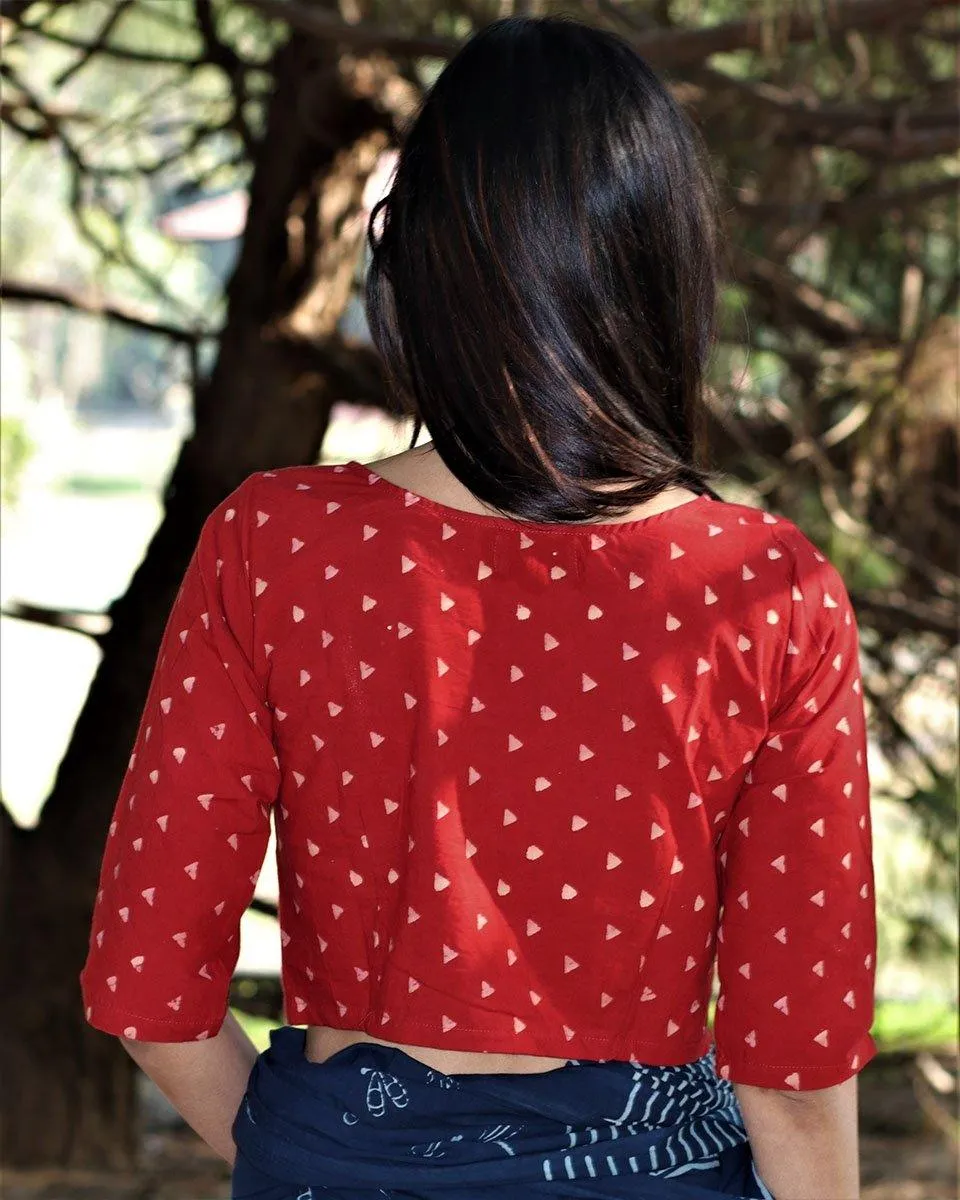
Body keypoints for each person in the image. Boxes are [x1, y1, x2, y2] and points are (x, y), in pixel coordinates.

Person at [79, 15, 878, 1200]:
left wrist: (317, 1157)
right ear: (665, 270)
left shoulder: (276, 544)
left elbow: (149, 988)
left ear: (416, 262)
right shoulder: (764, 592)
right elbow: (795, 1072)